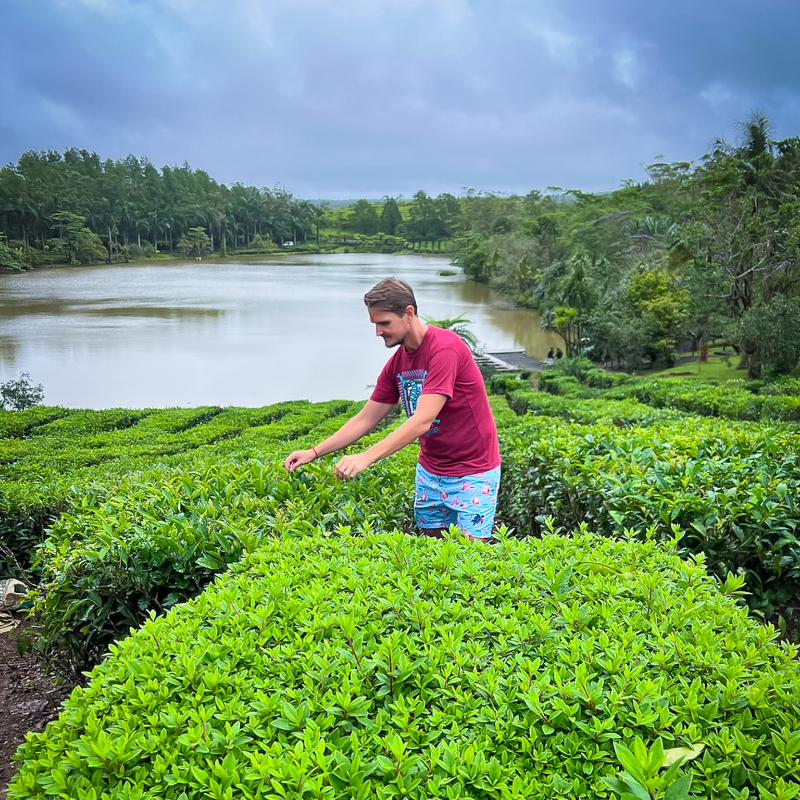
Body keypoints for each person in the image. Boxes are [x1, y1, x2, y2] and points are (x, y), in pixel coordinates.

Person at [284, 277, 501, 541]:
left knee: (472, 556)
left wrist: (366, 457)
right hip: (431, 471)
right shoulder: (398, 362)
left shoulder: (445, 349)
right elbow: (366, 418)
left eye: (384, 323)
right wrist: (315, 451)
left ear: (408, 313)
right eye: (375, 324)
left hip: (472, 470)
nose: (378, 332)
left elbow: (422, 421)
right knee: (432, 545)